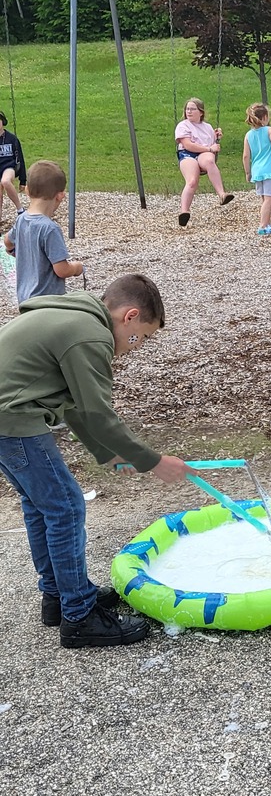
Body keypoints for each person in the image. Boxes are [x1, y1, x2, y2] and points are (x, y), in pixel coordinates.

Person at [0, 273, 191, 648]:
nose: (138, 346)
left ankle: (59, 597)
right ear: (130, 316)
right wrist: (153, 461)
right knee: (67, 508)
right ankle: (80, 616)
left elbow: (74, 408)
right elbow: (99, 414)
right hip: (11, 416)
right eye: (143, 336)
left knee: (43, 506)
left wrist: (110, 454)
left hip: (8, 414)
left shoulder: (75, 316)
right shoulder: (90, 336)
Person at [3, 160, 83, 305]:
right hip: (47, 303)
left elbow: (7, 241)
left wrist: (14, 251)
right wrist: (77, 268)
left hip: (25, 300)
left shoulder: (21, 220)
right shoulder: (50, 228)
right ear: (60, 196)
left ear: (26, 190)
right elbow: (61, 270)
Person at [174, 97, 235, 228]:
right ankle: (184, 211)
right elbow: (188, 145)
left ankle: (222, 194)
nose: (189, 111)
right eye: (187, 109)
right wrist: (209, 148)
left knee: (209, 161)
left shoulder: (207, 127)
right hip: (187, 154)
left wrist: (216, 137)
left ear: (200, 112)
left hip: (204, 155)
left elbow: (211, 142)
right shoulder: (183, 125)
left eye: (192, 109)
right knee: (192, 181)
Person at [243, 102, 271, 236]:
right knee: (269, 199)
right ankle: (262, 225)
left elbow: (245, 156)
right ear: (265, 117)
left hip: (257, 170)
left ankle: (267, 223)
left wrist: (248, 172)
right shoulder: (269, 130)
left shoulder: (248, 135)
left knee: (264, 199)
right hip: (269, 170)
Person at [0, 110, 26, 222]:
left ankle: (20, 209)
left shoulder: (11, 138)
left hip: (9, 166)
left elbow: (20, 157)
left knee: (5, 181)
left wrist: (23, 180)